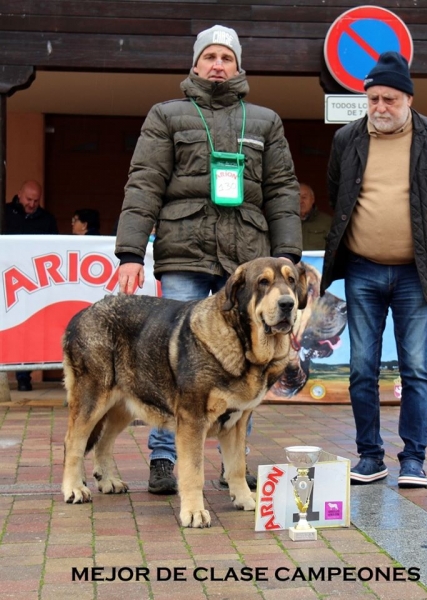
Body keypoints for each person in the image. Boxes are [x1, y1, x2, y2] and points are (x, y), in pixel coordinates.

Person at [115, 25, 302, 495]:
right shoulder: (166, 115)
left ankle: (231, 467)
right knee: (171, 361)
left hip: (247, 262)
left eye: (226, 57)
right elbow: (144, 183)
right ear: (195, 65)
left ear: (239, 67)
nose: (218, 64)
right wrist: (131, 252)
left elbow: (281, 190)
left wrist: (289, 260)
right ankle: (163, 459)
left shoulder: (264, 120)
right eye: (210, 56)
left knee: (246, 362)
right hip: (183, 251)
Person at [321, 52, 427, 489]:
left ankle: (414, 460)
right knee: (361, 367)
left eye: (389, 98)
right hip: (362, 270)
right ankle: (370, 457)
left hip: (415, 273)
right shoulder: (347, 139)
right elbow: (337, 193)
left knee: (416, 368)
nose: (380, 107)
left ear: (408, 98)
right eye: (373, 99)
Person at [6, 180, 59, 391]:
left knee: (25, 329)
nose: (32, 204)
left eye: (36, 201)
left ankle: (23, 377)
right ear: (19, 194)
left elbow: (54, 249)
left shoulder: (47, 220)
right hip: (5, 279)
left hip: (31, 283)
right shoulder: (5, 213)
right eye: (29, 199)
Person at [299, 183, 332, 250]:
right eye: (297, 197)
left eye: (304, 197)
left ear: (312, 199)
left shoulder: (327, 222)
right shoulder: (285, 222)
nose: (300, 201)